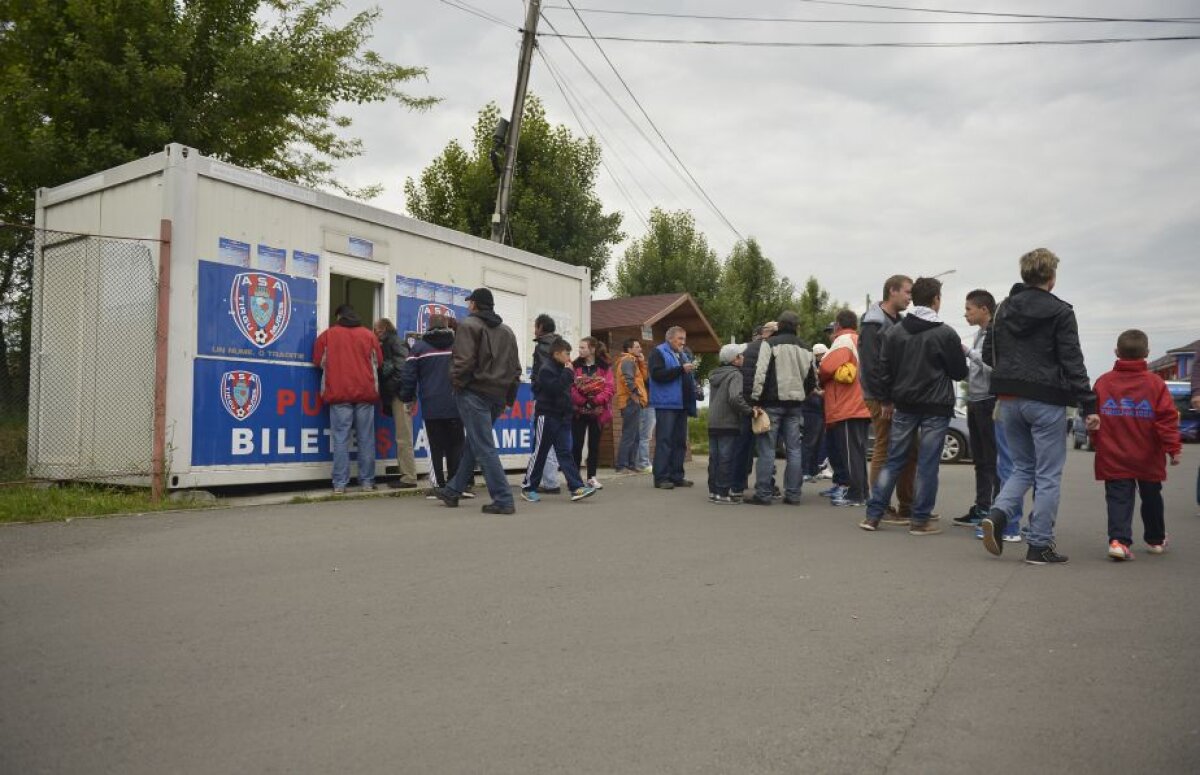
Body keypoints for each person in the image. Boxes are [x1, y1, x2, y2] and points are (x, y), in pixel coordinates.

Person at [979, 248, 1099, 565]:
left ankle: (998, 513)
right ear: (1052, 278)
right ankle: (1039, 545)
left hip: (1008, 398)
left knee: (1022, 467)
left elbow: (989, 354)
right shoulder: (1061, 312)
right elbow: (1072, 361)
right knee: (1047, 475)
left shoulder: (1002, 309)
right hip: (1046, 400)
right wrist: (1089, 405)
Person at [861, 277, 968, 535]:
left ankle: (873, 515)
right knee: (927, 464)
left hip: (904, 405)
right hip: (936, 407)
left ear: (915, 299)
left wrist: (887, 399)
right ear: (936, 300)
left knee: (893, 459)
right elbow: (959, 372)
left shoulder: (894, 332)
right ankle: (919, 520)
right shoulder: (946, 334)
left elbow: (884, 370)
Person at [1092, 330, 1181, 560]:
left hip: (1113, 454)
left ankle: (1119, 542)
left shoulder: (1103, 382)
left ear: (1116, 352)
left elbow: (1093, 417)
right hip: (1148, 455)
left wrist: (1096, 443)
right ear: (1147, 353)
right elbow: (1166, 419)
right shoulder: (1155, 384)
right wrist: (1173, 449)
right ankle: (1155, 540)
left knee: (1118, 498)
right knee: (1152, 497)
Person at [432, 288, 522, 515]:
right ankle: (453, 490)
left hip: (474, 393)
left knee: (483, 447)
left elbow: (463, 362)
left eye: (469, 302)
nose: (468, 306)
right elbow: (516, 369)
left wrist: (457, 385)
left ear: (474, 304)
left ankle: (503, 499)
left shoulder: (469, 325)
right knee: (475, 443)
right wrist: (509, 398)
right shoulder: (507, 331)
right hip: (498, 396)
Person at [743, 311, 817, 506]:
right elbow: (813, 380)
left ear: (779, 326)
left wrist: (755, 400)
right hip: (795, 405)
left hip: (772, 404)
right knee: (794, 450)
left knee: (767, 450)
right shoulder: (806, 348)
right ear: (797, 327)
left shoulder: (770, 344)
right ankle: (793, 494)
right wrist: (802, 395)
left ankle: (763, 494)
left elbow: (761, 374)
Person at [860, 274, 917, 524]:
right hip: (880, 397)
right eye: (907, 292)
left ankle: (908, 506)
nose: (910, 298)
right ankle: (880, 507)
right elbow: (871, 366)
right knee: (883, 449)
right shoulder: (873, 323)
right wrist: (884, 399)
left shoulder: (899, 321)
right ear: (892, 291)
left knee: (910, 449)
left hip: (896, 396)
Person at [313, 304, 384, 494]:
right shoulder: (369, 336)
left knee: (340, 439)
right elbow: (378, 362)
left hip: (339, 393)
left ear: (339, 317)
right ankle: (367, 482)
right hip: (365, 393)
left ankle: (339, 485)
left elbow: (318, 361)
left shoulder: (328, 335)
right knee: (366, 439)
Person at [399, 314, 470, 498]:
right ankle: (454, 485)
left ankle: (438, 485)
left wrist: (408, 399)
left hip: (431, 406)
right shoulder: (458, 346)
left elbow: (408, 376)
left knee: (435, 447)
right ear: (447, 326)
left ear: (428, 327)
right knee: (456, 446)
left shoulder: (419, 348)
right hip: (456, 404)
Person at [521, 339, 597, 503]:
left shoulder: (563, 369)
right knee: (540, 452)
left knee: (565, 452)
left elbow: (565, 391)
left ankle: (576, 487)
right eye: (566, 353)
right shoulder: (546, 369)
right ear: (556, 354)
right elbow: (555, 388)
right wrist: (569, 373)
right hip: (547, 415)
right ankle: (528, 487)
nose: (569, 357)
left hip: (563, 416)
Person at [954, 290, 999, 525]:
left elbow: (993, 367)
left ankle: (995, 511)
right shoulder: (979, 334)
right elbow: (976, 369)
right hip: (975, 400)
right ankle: (982, 507)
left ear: (984, 309)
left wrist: (968, 352)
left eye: (969, 309)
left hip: (989, 401)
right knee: (980, 460)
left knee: (992, 459)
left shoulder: (995, 333)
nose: (965, 314)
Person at [819, 309, 872, 508]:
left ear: (838, 325)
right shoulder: (860, 340)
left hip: (847, 404)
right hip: (862, 403)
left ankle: (855, 494)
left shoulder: (843, 340)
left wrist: (822, 376)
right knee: (858, 453)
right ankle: (863, 492)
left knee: (850, 454)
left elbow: (825, 367)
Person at [731, 322, 776, 502]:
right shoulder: (772, 349)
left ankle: (737, 485)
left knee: (743, 446)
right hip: (765, 404)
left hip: (747, 404)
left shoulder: (746, 349)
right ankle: (767, 484)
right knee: (766, 448)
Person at [649, 326, 698, 489]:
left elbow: (685, 376)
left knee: (679, 442)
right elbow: (657, 374)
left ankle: (676, 476)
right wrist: (680, 369)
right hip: (667, 404)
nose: (683, 342)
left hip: (682, 404)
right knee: (665, 441)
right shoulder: (658, 352)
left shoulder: (683, 354)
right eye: (680, 339)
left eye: (684, 339)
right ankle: (661, 478)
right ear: (669, 338)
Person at [707, 343, 756, 504]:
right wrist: (750, 411)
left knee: (714, 458)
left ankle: (713, 491)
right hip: (728, 421)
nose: (743, 357)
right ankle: (723, 493)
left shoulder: (715, 374)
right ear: (734, 359)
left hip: (713, 421)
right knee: (726, 458)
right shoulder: (735, 375)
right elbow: (735, 398)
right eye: (740, 355)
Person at [374, 318, 418, 489]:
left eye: (376, 329)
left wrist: (390, 389)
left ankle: (409, 477)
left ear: (384, 328)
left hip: (401, 395)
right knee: (402, 436)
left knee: (403, 437)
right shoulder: (391, 342)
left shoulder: (394, 342)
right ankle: (406, 474)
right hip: (400, 393)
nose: (375, 332)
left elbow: (403, 370)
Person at [571, 336, 614, 489]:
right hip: (578, 412)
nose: (580, 350)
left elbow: (609, 388)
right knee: (577, 445)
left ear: (592, 349)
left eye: (583, 347)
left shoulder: (605, 367)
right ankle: (575, 478)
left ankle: (591, 478)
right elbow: (571, 387)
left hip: (598, 412)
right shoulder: (574, 366)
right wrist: (583, 401)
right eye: (580, 347)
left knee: (594, 445)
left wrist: (595, 401)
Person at [530, 314, 563, 494]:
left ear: (541, 327)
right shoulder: (561, 345)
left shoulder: (542, 347)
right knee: (556, 441)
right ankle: (553, 480)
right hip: (559, 400)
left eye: (535, 326)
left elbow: (542, 375)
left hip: (544, 400)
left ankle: (550, 482)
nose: (534, 330)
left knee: (542, 441)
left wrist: (536, 388)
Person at [613, 338, 649, 473]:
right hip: (630, 401)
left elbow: (644, 378)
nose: (640, 349)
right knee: (629, 434)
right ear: (629, 349)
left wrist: (642, 362)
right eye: (637, 347)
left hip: (633, 401)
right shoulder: (627, 360)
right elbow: (627, 379)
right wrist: (635, 395)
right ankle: (622, 465)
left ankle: (630, 464)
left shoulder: (634, 361)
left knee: (635, 435)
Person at [802, 343, 829, 482]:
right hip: (811, 407)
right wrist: (819, 393)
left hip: (818, 408)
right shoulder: (809, 367)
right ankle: (805, 471)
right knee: (810, 441)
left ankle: (813, 471)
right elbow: (808, 386)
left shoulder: (816, 367)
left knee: (817, 441)